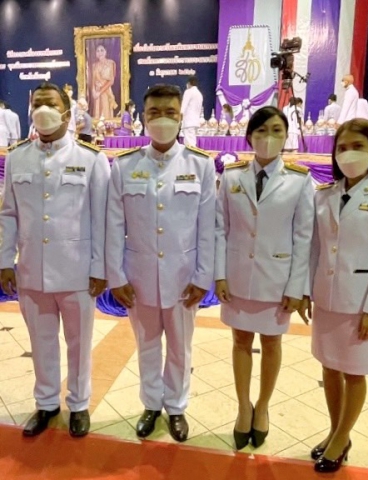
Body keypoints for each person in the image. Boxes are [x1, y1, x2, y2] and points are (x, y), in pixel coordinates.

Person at [106, 84, 216, 442]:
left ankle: (177, 407)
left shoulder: (200, 165)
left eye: (170, 112)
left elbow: (208, 227)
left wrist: (203, 277)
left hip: (184, 278)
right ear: (143, 117)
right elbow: (114, 225)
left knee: (181, 348)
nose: (163, 119)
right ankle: (152, 404)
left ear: (181, 117)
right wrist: (116, 276)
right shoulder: (125, 166)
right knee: (147, 345)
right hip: (138, 277)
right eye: (155, 113)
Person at [0, 82, 110, 438]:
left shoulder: (91, 159)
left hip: (78, 271)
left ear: (66, 112)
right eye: (36, 104)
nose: (42, 110)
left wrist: (100, 267)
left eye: (50, 103)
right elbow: (8, 214)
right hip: (32, 270)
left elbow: (102, 218)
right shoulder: (17, 157)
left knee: (79, 343)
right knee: (41, 341)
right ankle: (46, 403)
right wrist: (5, 260)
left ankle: (78, 404)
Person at [299, 119, 368, 473]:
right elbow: (315, 248)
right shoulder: (324, 194)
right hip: (327, 298)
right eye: (342, 148)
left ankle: (342, 437)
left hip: (361, 303)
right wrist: (306, 291)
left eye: (357, 146)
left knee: (354, 373)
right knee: (329, 367)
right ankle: (336, 432)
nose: (348, 154)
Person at [215, 106, 314, 450]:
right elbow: (220, 228)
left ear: (286, 137)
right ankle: (244, 407)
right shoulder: (232, 177)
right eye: (261, 131)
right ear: (249, 137)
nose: (268, 138)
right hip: (238, 276)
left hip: (278, 279)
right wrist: (219, 275)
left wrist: (298, 287)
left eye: (276, 131)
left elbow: (304, 237)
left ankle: (264, 406)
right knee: (240, 341)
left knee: (272, 343)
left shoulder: (300, 180)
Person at [91, 44, 117, 119]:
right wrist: (93, 91)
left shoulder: (111, 63)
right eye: (98, 51)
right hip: (97, 92)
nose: (100, 53)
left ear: (106, 52)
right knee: (98, 114)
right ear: (96, 53)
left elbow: (111, 81)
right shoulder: (94, 65)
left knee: (106, 113)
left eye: (102, 50)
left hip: (106, 92)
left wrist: (99, 92)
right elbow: (93, 80)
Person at [181, 76, 203, 146]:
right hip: (195, 121)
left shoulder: (188, 91)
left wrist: (179, 116)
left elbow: (183, 106)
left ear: (189, 83)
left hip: (188, 121)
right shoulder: (199, 94)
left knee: (189, 143)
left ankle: (191, 153)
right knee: (192, 141)